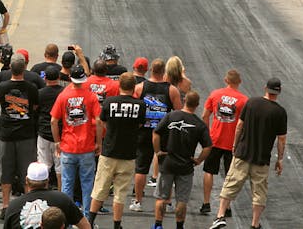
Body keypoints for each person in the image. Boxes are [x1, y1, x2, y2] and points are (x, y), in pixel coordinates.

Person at [210, 78, 288, 229]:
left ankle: (220, 215)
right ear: (279, 92)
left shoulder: (251, 103)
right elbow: (281, 139)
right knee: (259, 193)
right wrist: (280, 159)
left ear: (265, 88)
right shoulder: (280, 112)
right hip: (262, 158)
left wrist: (235, 145)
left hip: (243, 153)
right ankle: (254, 224)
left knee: (231, 184)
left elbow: (239, 125)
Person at [88, 72, 146, 229]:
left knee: (99, 188)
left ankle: (90, 222)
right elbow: (140, 125)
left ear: (119, 85)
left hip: (109, 151)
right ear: (134, 86)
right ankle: (116, 224)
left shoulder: (109, 102)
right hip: (128, 154)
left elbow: (103, 121)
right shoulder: (140, 105)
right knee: (120, 193)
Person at [153, 91, 212, 229]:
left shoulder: (171, 116)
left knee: (162, 197)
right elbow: (208, 146)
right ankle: (179, 226)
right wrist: (199, 160)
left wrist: (158, 152)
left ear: (184, 100)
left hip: (167, 163)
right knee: (182, 200)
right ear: (197, 105)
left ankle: (158, 225)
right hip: (185, 166)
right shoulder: (199, 124)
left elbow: (156, 133)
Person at [50, 64, 102, 215]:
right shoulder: (91, 96)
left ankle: (66, 218)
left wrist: (57, 141)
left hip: (68, 147)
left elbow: (53, 121)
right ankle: (86, 219)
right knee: (87, 185)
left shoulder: (63, 95)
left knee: (67, 185)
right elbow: (98, 121)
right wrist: (99, 142)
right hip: (86, 147)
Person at [131, 58, 181, 211]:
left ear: (151, 70)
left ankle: (138, 201)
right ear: (164, 72)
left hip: (144, 132)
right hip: (164, 133)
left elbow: (134, 110)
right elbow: (179, 113)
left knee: (141, 168)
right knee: (166, 168)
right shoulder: (172, 90)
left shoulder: (140, 88)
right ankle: (167, 201)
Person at [0, 54, 40, 219]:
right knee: (26, 173)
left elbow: (0, 104)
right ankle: (28, 206)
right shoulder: (31, 88)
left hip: (6, 135)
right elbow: (34, 106)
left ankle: (5, 206)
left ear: (10, 69)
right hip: (26, 135)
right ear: (24, 68)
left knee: (5, 172)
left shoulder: (2, 87)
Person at [200, 69, 248, 217]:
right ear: (239, 82)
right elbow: (244, 123)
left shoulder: (215, 94)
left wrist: (207, 134)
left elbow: (204, 115)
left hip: (214, 139)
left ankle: (206, 203)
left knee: (209, 170)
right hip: (232, 143)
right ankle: (226, 207)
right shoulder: (244, 100)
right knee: (230, 175)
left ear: (225, 80)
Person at [4, 162, 90, 229]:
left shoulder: (13, 206)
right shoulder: (63, 200)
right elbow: (85, 226)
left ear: (26, 180)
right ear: (47, 180)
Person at [37, 65, 65, 189]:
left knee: (43, 166)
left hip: (44, 133)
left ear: (45, 78)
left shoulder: (40, 93)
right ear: (59, 77)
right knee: (60, 168)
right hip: (60, 134)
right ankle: (61, 193)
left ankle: (43, 191)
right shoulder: (64, 93)